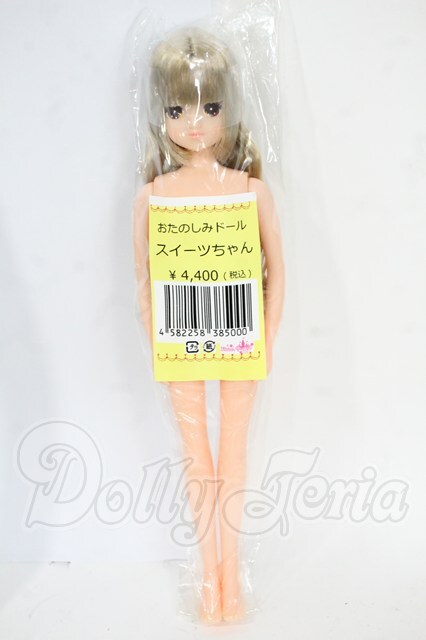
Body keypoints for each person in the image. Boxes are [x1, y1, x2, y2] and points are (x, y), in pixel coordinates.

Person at [132, 26, 285, 624]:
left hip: (240, 337)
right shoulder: (153, 197)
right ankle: (210, 581)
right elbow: (145, 280)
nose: (194, 123)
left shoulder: (249, 191)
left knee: (232, 455)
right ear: (161, 115)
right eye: (178, 109)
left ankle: (230, 580)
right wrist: (159, 341)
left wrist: (266, 336)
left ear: (228, 109)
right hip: (181, 343)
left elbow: (277, 271)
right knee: (198, 457)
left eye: (209, 106)